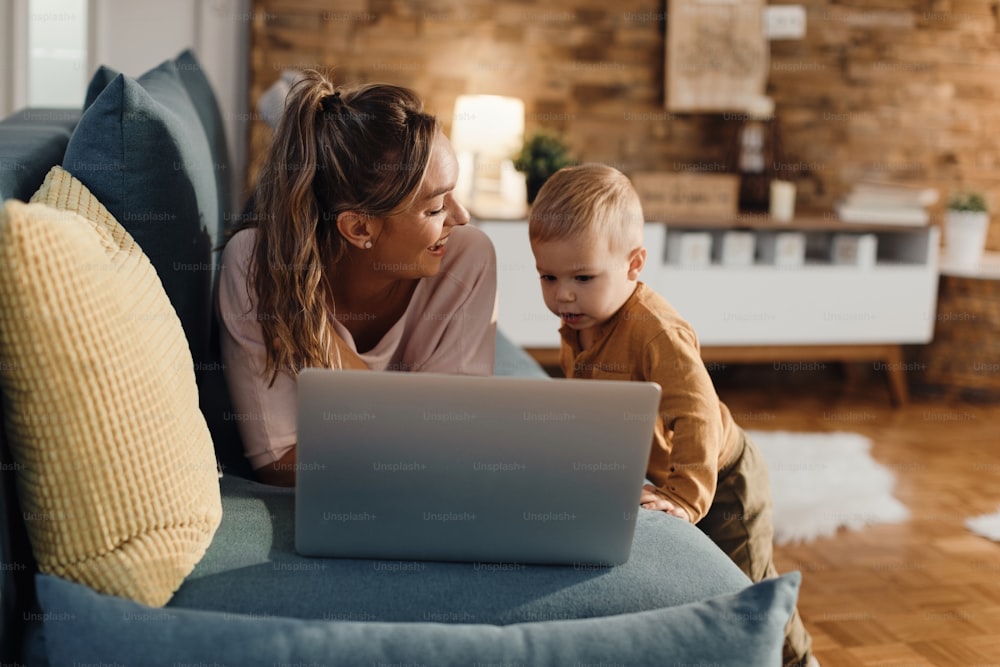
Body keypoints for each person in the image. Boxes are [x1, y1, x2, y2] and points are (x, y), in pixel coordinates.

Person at [527, 163, 817, 667]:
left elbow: (697, 413)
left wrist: (684, 496)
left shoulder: (655, 330)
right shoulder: (580, 321)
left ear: (635, 264)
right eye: (547, 277)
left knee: (750, 593)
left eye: (582, 277)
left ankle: (800, 662)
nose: (562, 294)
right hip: (665, 472)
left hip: (723, 479)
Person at [217, 71, 497, 486]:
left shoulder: (467, 256)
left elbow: (446, 447)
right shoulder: (253, 266)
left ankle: (296, 122)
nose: (462, 217)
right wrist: (409, 435)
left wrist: (323, 345)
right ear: (360, 229)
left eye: (453, 193)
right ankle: (288, 113)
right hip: (298, 242)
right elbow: (278, 464)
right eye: (436, 207)